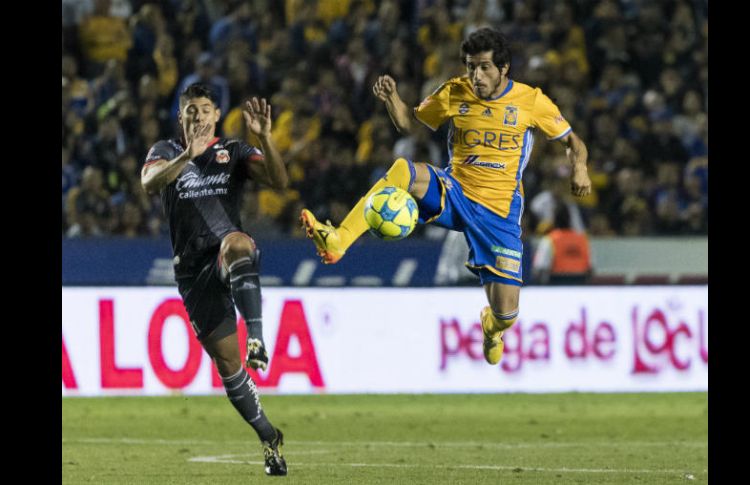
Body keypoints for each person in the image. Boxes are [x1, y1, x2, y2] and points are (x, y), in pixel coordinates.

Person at [300, 28, 591, 365]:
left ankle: (492, 328)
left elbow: (573, 142)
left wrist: (579, 169)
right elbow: (411, 124)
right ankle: (339, 239)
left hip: (499, 214)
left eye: (484, 68)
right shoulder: (455, 91)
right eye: (471, 67)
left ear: (503, 68)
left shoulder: (531, 101)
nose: (476, 76)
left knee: (507, 313)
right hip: (456, 192)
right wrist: (393, 100)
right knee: (404, 170)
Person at [141, 83, 289, 476]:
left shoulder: (234, 151)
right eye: (191, 110)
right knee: (229, 367)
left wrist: (266, 138)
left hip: (226, 253)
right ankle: (269, 436)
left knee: (237, 242)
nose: (198, 116)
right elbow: (149, 184)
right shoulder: (164, 151)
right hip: (192, 273)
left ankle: (256, 335)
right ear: (180, 117)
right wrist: (186, 157)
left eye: (205, 109)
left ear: (216, 115)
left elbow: (279, 181)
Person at [532, 202, 592, 285]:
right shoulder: (583, 240)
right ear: (570, 218)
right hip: (580, 286)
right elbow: (591, 269)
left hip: (557, 286)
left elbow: (540, 269)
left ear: (554, 219)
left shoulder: (550, 240)